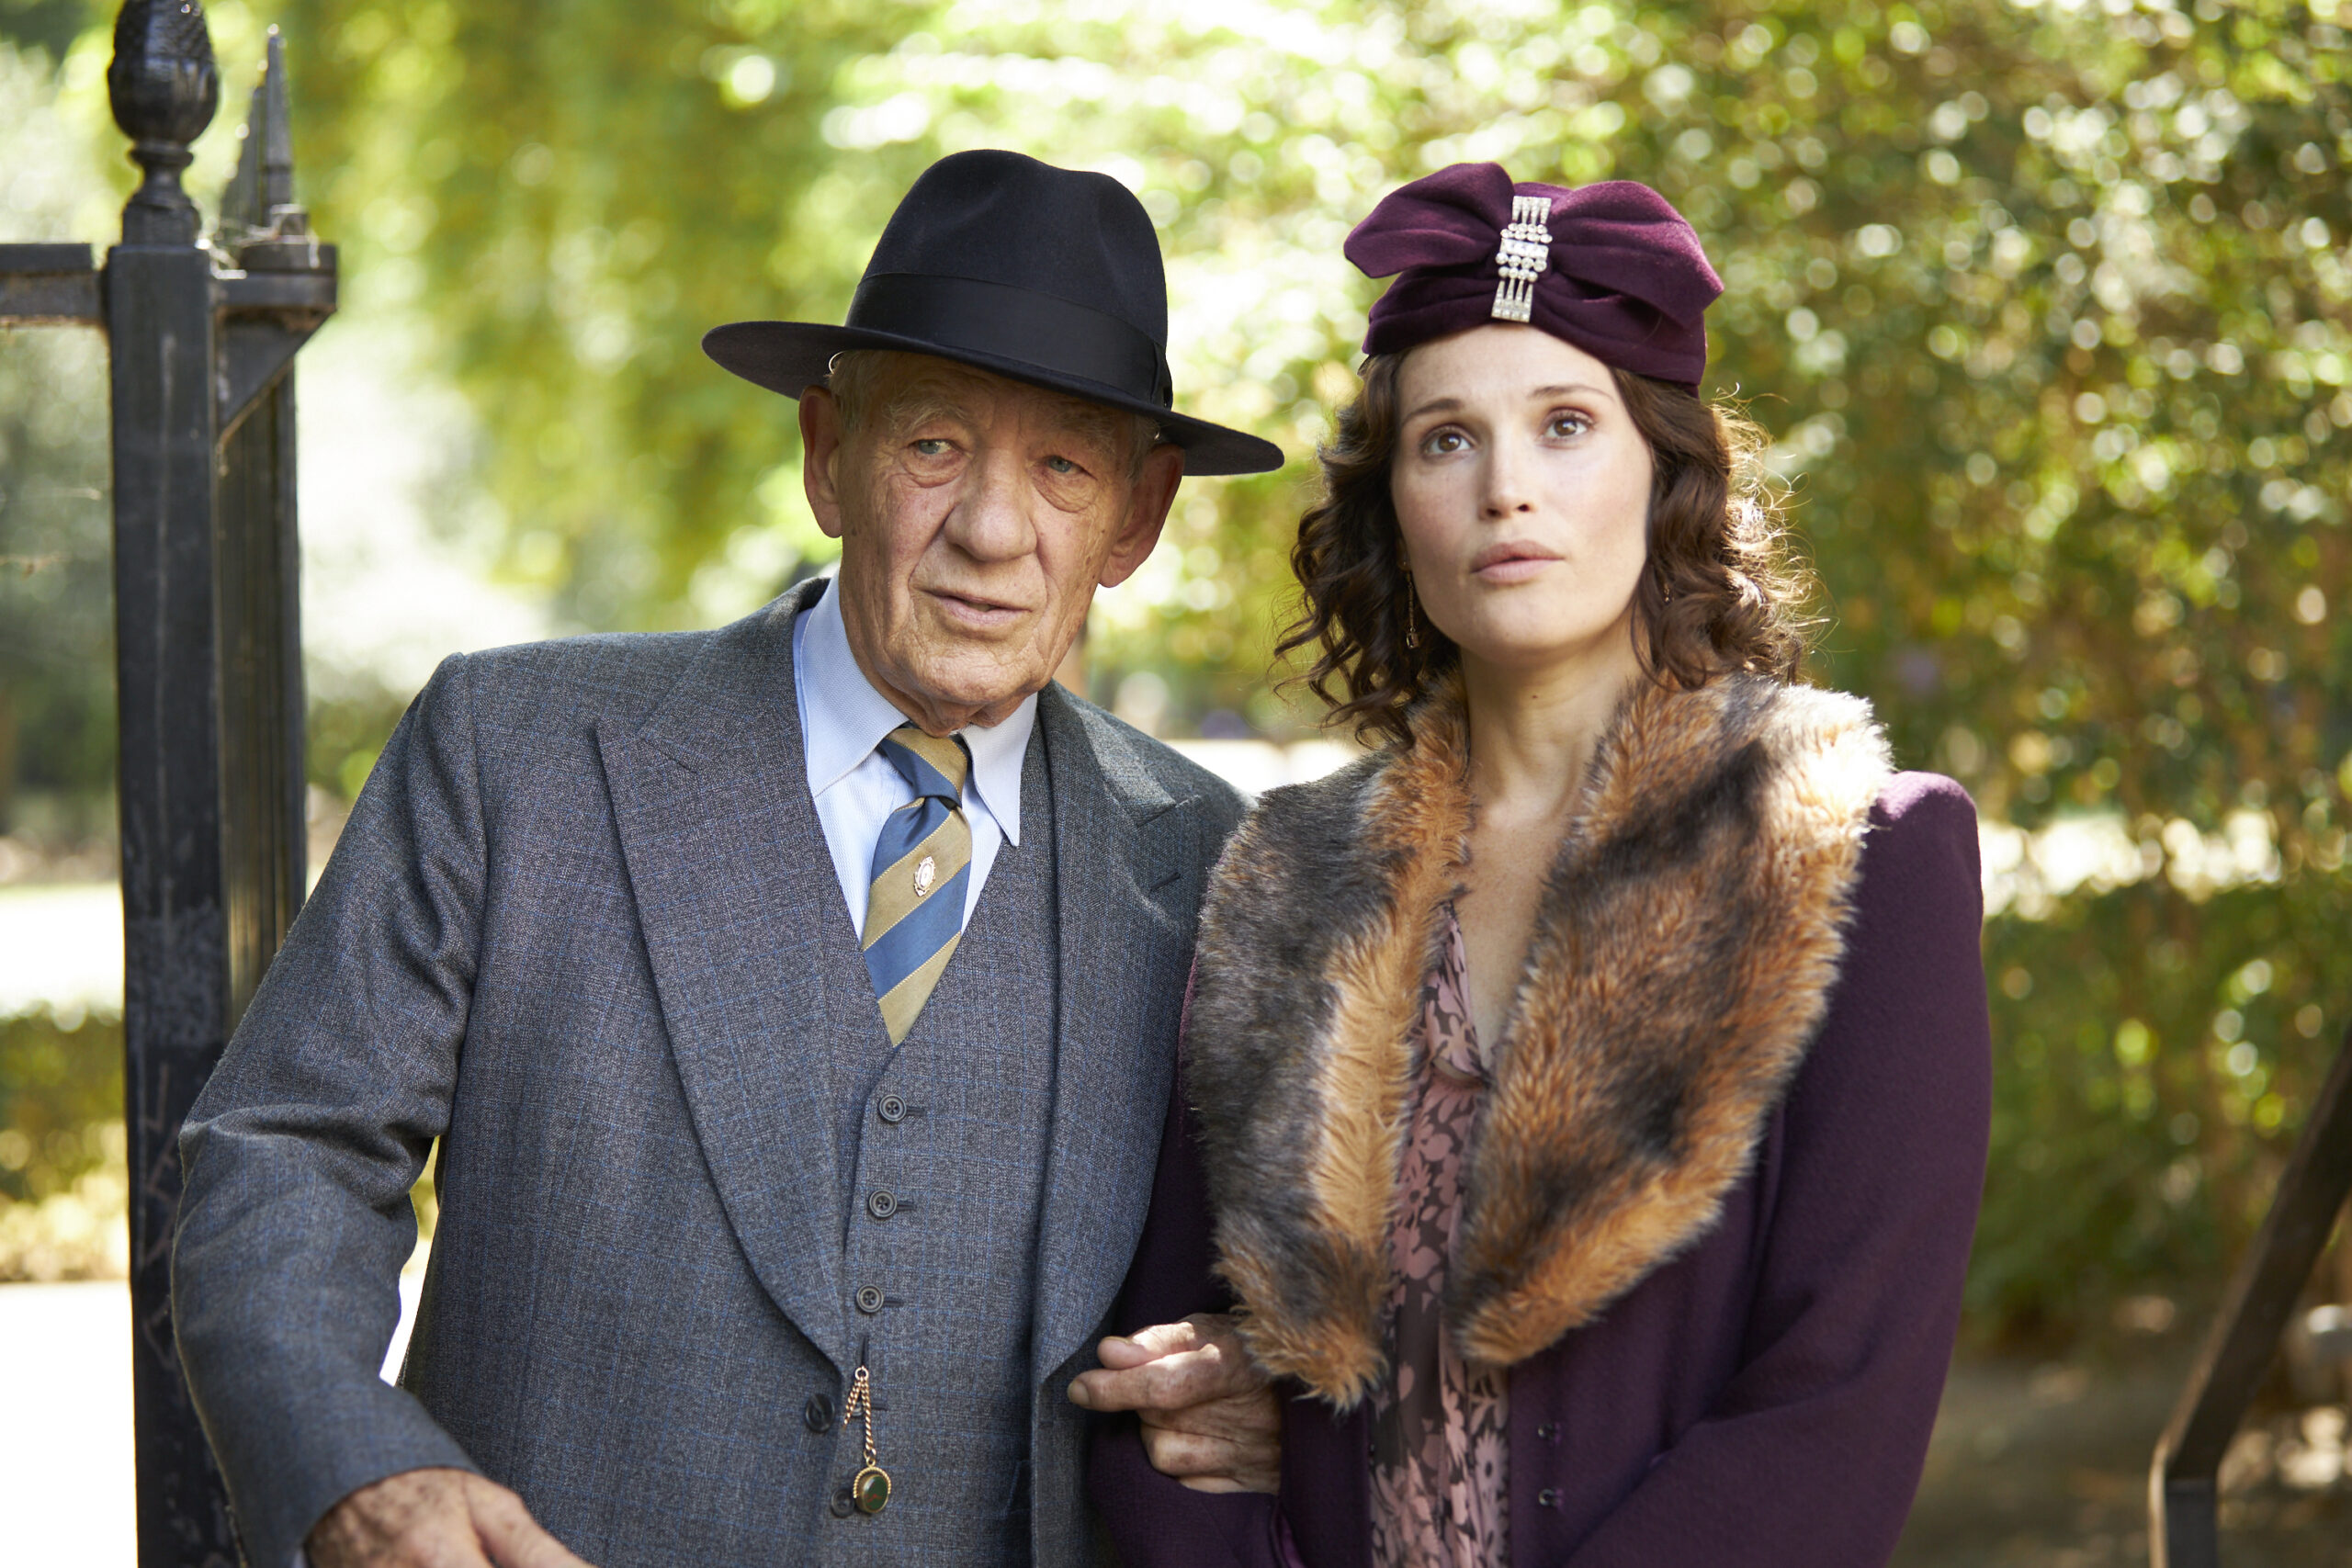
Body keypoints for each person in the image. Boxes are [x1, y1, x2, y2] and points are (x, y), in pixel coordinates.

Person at [171, 149, 1288, 1568]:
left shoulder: (1215, 865)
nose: (993, 530)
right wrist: (356, 1472)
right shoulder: (513, 749)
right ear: (830, 455)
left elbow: (1306, 1292)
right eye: (934, 444)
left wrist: (1274, 1395)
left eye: (1063, 468)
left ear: (1135, 520)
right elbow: (285, 1150)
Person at [1083, 164, 1994, 1564]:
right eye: (1447, 439)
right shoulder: (1289, 878)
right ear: (1393, 501)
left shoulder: (1857, 853)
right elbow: (1157, 1396)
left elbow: (1840, 1407)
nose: (1508, 487)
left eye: (1566, 425)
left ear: (1666, 467)